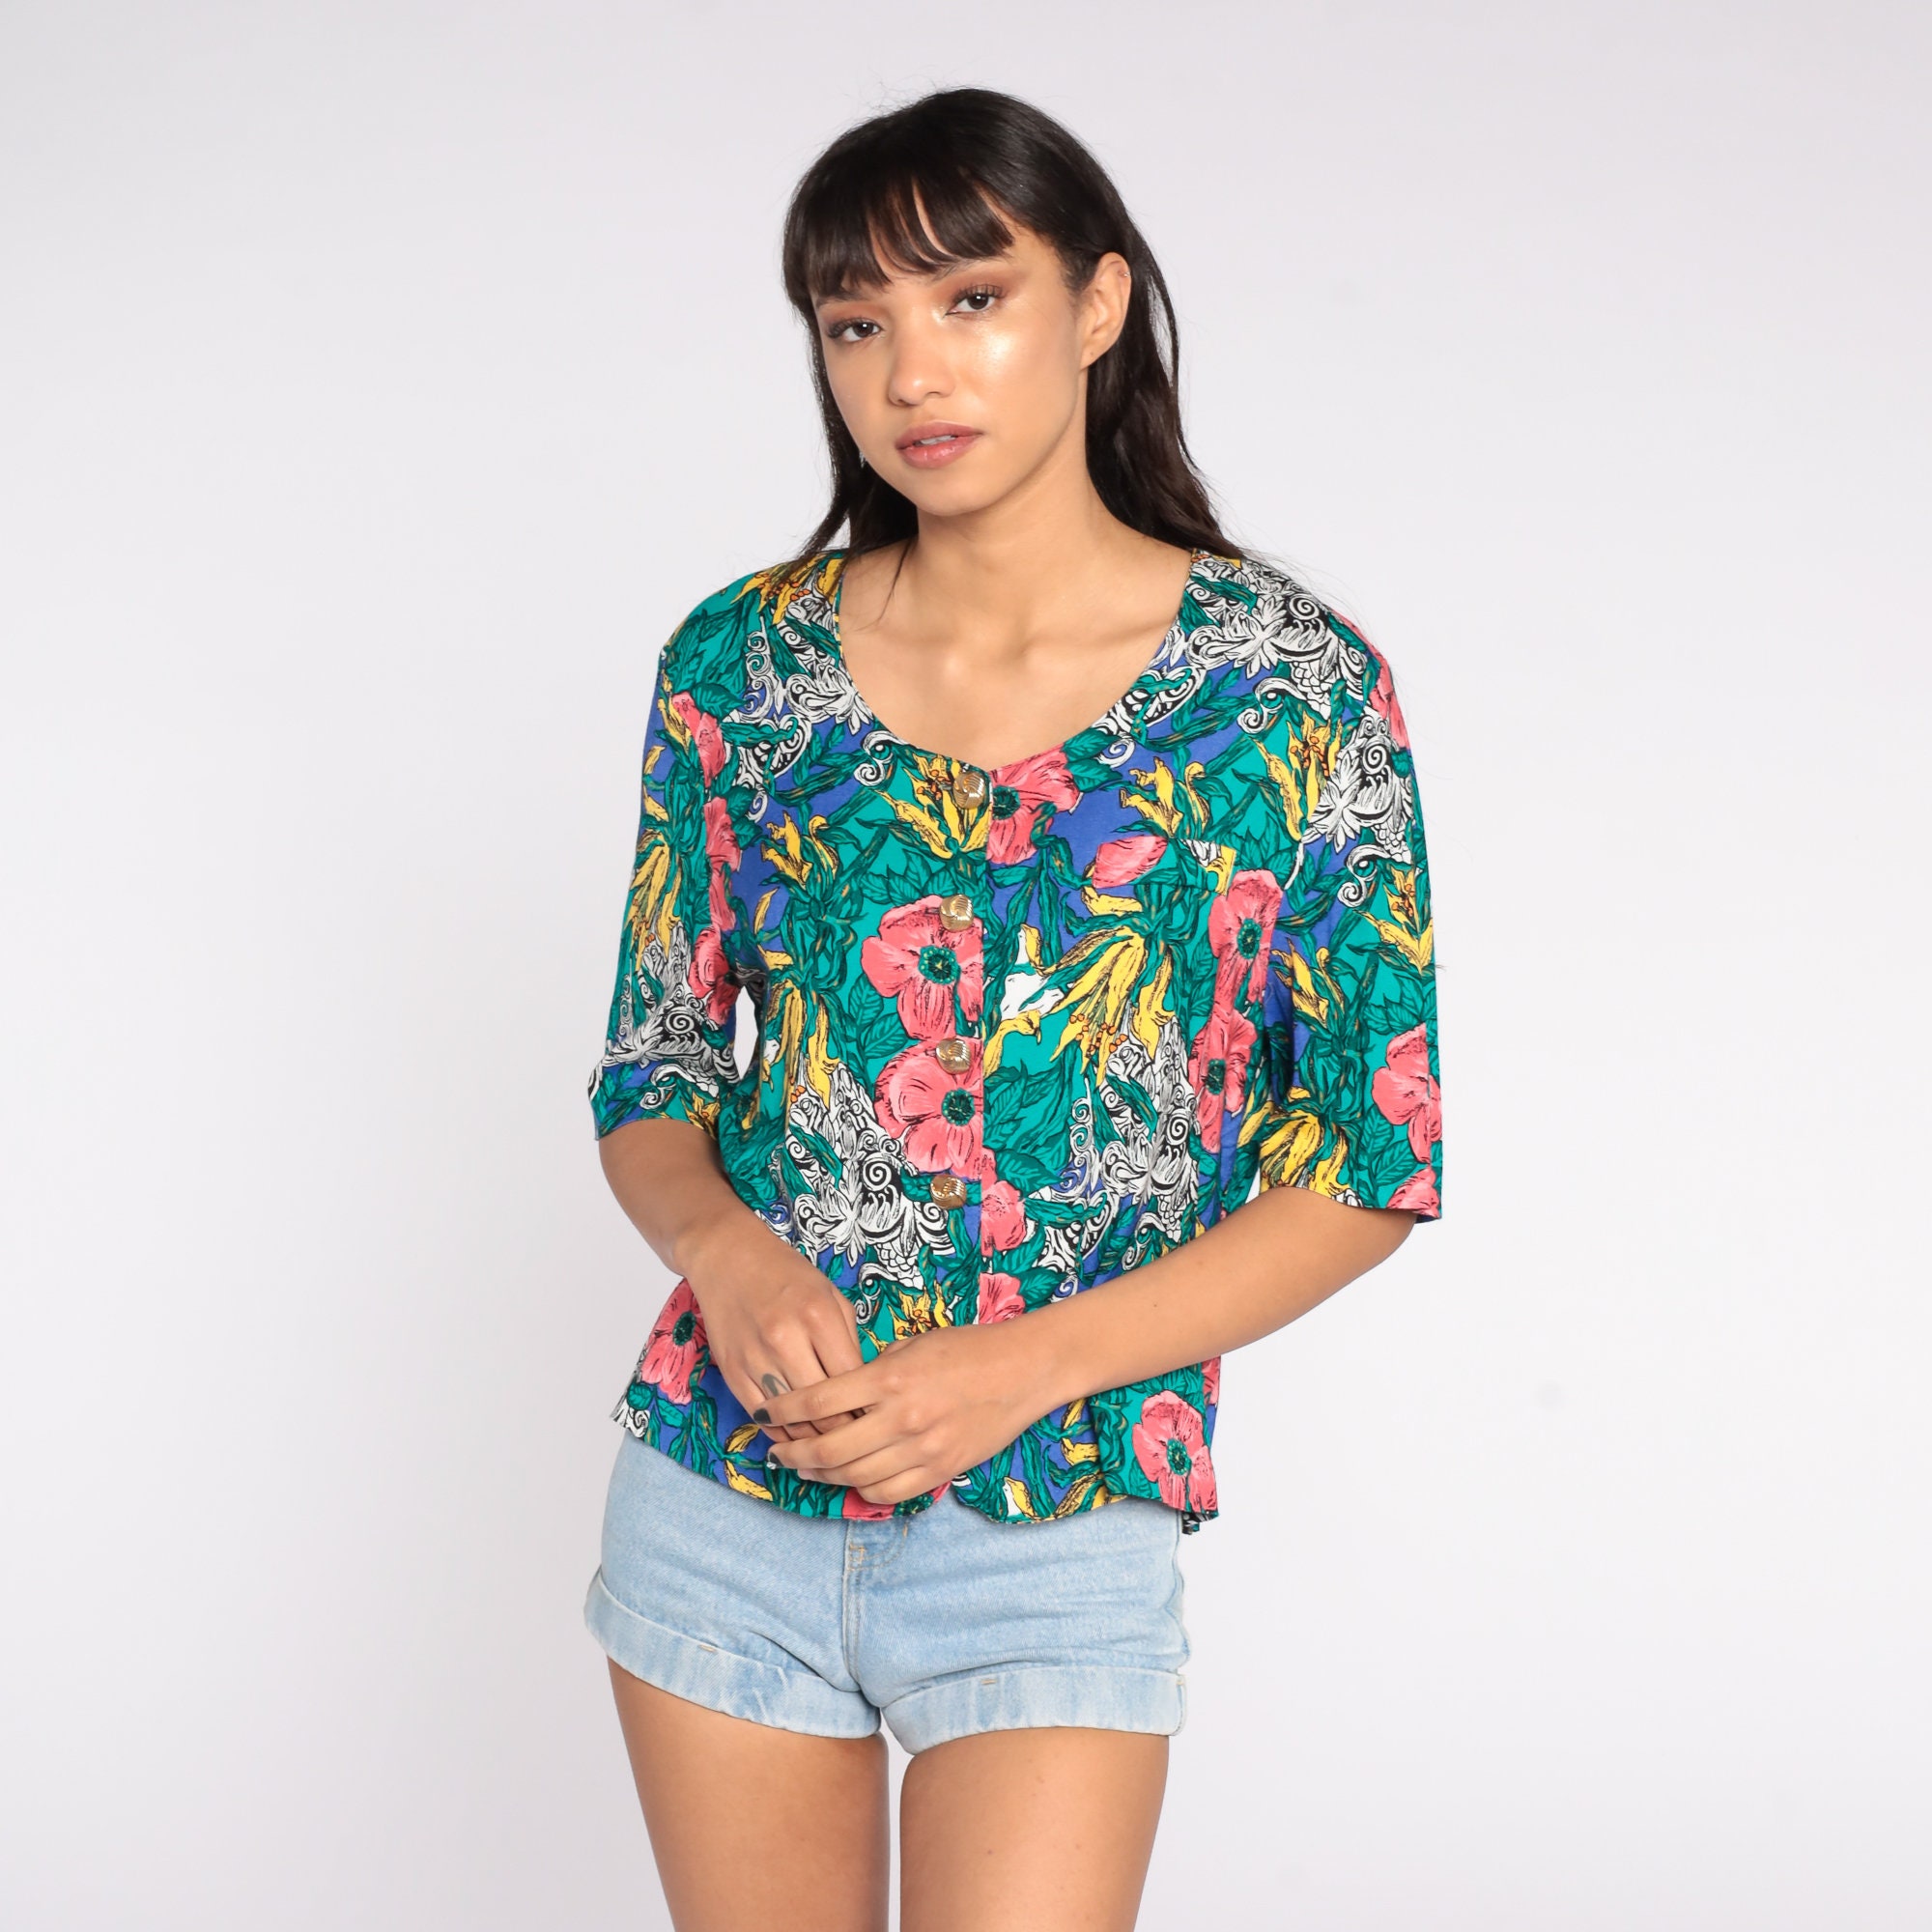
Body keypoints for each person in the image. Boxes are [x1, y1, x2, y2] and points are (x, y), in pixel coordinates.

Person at [581, 85, 1443, 1932]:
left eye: (972, 299)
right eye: (856, 323)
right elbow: (655, 1067)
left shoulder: (1289, 694)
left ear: (1099, 302)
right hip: (731, 1488)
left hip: (1058, 1519)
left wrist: (1018, 1368)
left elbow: (1368, 1162)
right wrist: (726, 1255)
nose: (912, 372)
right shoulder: (741, 665)